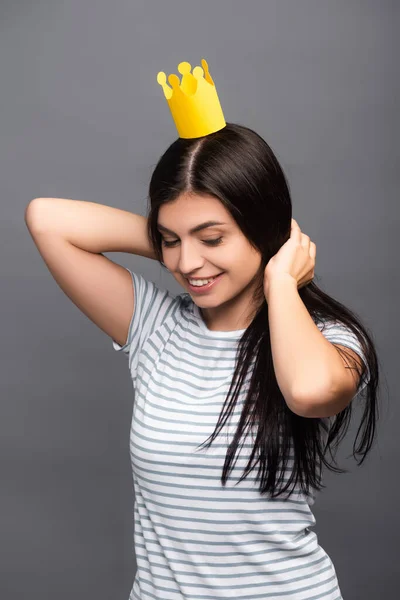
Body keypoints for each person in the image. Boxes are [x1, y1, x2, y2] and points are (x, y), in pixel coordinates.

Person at [25, 60, 380, 599]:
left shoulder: (326, 337)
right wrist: (185, 249)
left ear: (263, 229)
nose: (190, 263)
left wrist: (278, 278)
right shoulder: (153, 325)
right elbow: (46, 219)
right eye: (171, 238)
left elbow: (309, 393)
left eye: (212, 237)